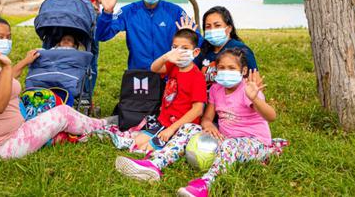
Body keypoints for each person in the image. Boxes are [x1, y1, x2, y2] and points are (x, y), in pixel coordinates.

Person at [115, 48, 278, 197]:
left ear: (243, 71)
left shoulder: (247, 90)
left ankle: (205, 184)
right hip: (226, 138)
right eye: (221, 68)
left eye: (231, 68)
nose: (225, 72)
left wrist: (255, 98)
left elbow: (271, 117)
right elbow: (207, 118)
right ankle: (154, 164)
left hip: (255, 142)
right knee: (188, 127)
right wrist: (208, 124)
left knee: (231, 146)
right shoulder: (216, 89)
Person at [0, 17, 116, 160]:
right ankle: (102, 125)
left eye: (8, 37)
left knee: (46, 113)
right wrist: (7, 65)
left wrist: (24, 62)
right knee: (63, 113)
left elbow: (5, 81)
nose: (5, 41)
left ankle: (89, 127)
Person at [95, 0, 199, 70]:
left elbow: (198, 40)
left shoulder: (175, 11)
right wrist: (107, 12)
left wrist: (190, 36)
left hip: (168, 74)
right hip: (139, 75)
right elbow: (102, 35)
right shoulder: (128, 11)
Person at [131, 28, 207, 152]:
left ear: (195, 52)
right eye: (175, 47)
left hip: (180, 126)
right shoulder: (174, 66)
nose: (179, 52)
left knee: (145, 149)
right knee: (136, 143)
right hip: (164, 121)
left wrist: (172, 129)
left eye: (185, 48)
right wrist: (166, 57)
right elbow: (154, 68)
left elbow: (198, 110)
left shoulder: (197, 77)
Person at [194, 6, 257, 89]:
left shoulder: (241, 50)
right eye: (208, 26)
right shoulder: (204, 49)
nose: (212, 30)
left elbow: (255, 85)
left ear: (229, 28)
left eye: (217, 25)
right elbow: (190, 73)